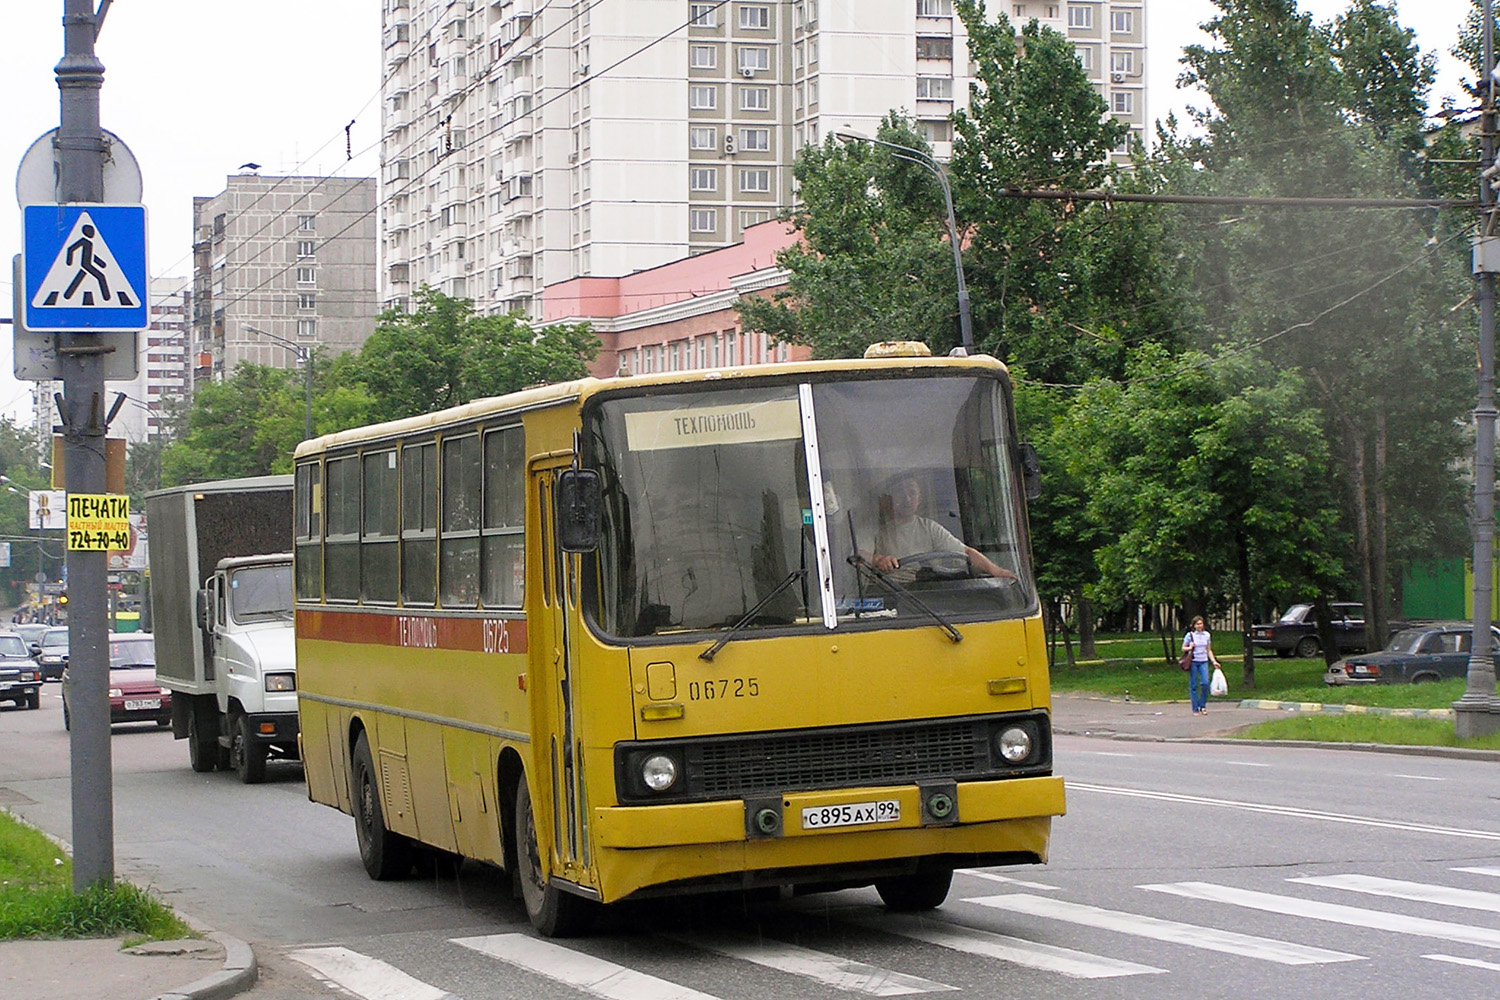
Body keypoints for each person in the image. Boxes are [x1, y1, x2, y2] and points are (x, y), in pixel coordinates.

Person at [865, 473, 1016, 582]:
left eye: (912, 492)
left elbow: (966, 552)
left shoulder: (930, 528)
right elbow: (855, 556)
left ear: (919, 498)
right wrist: (877, 560)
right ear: (889, 497)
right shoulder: (875, 530)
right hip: (889, 596)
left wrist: (996, 570)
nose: (907, 499)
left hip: (928, 593)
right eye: (900, 493)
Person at [1182, 615, 1220, 714]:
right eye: (1197, 624)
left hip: (1203, 661)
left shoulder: (1206, 635)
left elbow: (1208, 650)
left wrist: (1214, 661)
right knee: (1194, 685)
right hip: (1194, 661)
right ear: (1194, 625)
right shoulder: (1190, 635)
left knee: (1205, 683)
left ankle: (1202, 704)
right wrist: (1190, 647)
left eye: (1201, 624)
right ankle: (1195, 708)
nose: (1199, 626)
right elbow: (1183, 648)